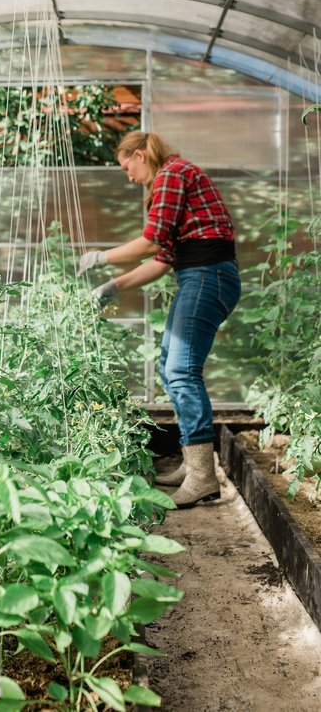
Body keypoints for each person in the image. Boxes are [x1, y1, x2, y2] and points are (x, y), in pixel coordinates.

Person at [78, 131, 241, 508]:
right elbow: (164, 258)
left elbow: (151, 241)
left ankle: (202, 476)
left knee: (181, 370)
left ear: (140, 155)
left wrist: (103, 257)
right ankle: (193, 463)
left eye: (126, 167)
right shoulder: (175, 178)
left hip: (208, 276)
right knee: (171, 368)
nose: (128, 177)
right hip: (201, 276)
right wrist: (114, 285)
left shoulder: (171, 173)